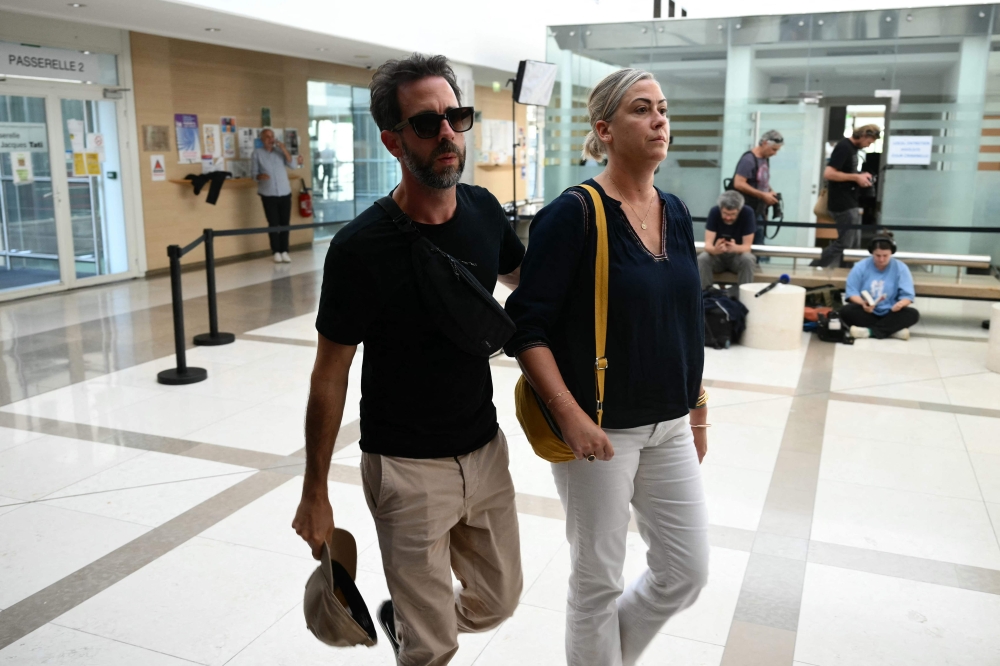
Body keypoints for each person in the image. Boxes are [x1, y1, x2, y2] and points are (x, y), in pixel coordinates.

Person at [292, 53, 524, 666]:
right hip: (404, 468)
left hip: (484, 447)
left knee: (500, 601)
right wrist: (315, 488)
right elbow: (329, 375)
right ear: (393, 140)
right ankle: (420, 631)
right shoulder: (359, 249)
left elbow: (528, 285)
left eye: (457, 118)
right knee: (433, 649)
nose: (448, 133)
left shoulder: (482, 211)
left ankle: (409, 617)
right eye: (427, 124)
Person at [505, 68, 709, 666]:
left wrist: (697, 407)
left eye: (663, 110)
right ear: (605, 129)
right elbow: (525, 325)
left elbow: (685, 318)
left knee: (686, 571)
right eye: (642, 110)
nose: (659, 121)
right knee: (598, 582)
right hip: (598, 431)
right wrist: (569, 416)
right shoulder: (573, 214)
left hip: (670, 423)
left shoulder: (674, 210)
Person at [813, 124, 880, 268]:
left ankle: (848, 274)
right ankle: (814, 266)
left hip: (851, 201)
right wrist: (856, 178)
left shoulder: (854, 150)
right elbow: (829, 173)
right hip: (842, 203)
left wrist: (860, 176)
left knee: (852, 246)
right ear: (863, 135)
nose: (868, 146)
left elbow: (847, 173)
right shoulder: (844, 147)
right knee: (844, 243)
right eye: (869, 142)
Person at [841, 230, 919, 340]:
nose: (881, 259)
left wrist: (901, 304)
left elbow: (908, 296)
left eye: (885, 255)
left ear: (891, 253)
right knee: (846, 311)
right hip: (868, 311)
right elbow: (852, 292)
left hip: (891, 311)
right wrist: (863, 303)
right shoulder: (860, 266)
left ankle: (870, 331)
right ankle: (892, 331)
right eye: (878, 255)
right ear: (872, 252)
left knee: (913, 314)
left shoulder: (901, 268)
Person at [251, 128, 302, 263]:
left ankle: (285, 250)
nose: (270, 139)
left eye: (272, 136)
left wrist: (284, 149)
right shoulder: (257, 153)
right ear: (262, 140)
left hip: (285, 192)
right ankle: (276, 251)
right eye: (267, 137)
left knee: (285, 223)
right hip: (268, 194)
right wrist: (260, 176)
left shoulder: (280, 152)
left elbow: (293, 165)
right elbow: (253, 174)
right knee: (273, 223)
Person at [731, 129, 783, 246]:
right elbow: (738, 183)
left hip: (759, 208)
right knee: (752, 241)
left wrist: (770, 191)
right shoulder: (748, 160)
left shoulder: (764, 159)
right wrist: (763, 195)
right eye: (773, 149)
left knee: (759, 239)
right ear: (764, 143)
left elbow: (760, 180)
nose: (775, 153)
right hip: (748, 207)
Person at [698, 190, 757, 289]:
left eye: (733, 214)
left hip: (737, 257)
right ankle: (705, 296)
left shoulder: (747, 213)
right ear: (720, 209)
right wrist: (715, 250)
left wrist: (735, 248)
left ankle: (744, 297)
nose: (728, 217)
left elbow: (747, 247)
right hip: (718, 257)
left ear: (739, 210)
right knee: (702, 258)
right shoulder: (714, 211)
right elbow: (708, 245)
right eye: (725, 213)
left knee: (748, 259)